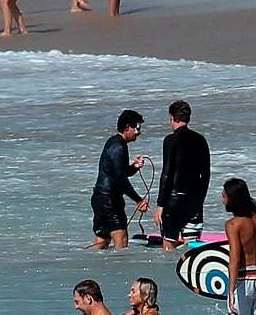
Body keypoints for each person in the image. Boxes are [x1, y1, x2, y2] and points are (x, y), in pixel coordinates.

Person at [153, 99, 210, 249]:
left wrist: (160, 204)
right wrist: (199, 200)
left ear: (173, 118)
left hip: (173, 201)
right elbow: (205, 175)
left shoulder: (170, 140)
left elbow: (167, 173)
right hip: (194, 201)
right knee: (191, 247)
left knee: (168, 247)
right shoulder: (201, 140)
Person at [89, 111, 147, 249]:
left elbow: (118, 172)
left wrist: (134, 167)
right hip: (110, 202)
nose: (138, 132)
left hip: (99, 198)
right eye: (137, 128)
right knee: (122, 241)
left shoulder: (113, 141)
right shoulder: (119, 147)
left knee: (101, 242)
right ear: (127, 127)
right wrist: (139, 200)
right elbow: (121, 180)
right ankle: (120, 269)